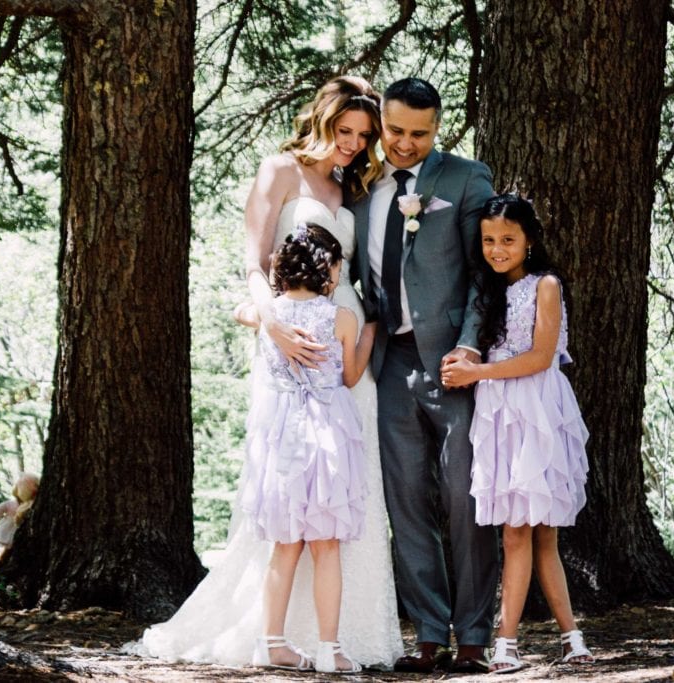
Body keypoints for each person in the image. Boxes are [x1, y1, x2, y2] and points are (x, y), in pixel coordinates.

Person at [132, 76, 403, 668]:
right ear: (322, 122)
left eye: (363, 135)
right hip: (285, 331)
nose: (354, 144)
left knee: (347, 484)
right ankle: (270, 631)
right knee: (289, 484)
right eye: (345, 131)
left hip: (343, 336)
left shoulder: (351, 185)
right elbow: (255, 262)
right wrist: (271, 323)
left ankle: (346, 635)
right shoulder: (279, 171)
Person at [352, 77, 499, 674]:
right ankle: (429, 636)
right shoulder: (359, 185)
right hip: (389, 362)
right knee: (406, 502)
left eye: (421, 133)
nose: (406, 144)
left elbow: (484, 276)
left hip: (453, 365)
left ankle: (473, 637)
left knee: (465, 499)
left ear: (438, 129)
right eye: (396, 131)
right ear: (381, 123)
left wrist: (468, 349)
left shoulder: (466, 178)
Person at [441, 194, 593, 673]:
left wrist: (477, 374)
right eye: (489, 240)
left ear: (529, 240)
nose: (497, 249)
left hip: (537, 410)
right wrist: (462, 364)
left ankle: (569, 636)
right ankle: (506, 642)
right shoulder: (484, 291)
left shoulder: (545, 285)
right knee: (514, 532)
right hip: (499, 414)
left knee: (542, 532)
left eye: (508, 239)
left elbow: (540, 357)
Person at [237, 224, 375, 673]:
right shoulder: (342, 318)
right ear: (328, 271)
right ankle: (329, 649)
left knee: (285, 546)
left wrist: (257, 309)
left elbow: (244, 311)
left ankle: (271, 642)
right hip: (327, 436)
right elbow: (351, 377)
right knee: (326, 546)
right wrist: (371, 333)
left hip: (281, 435)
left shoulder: (269, 316)